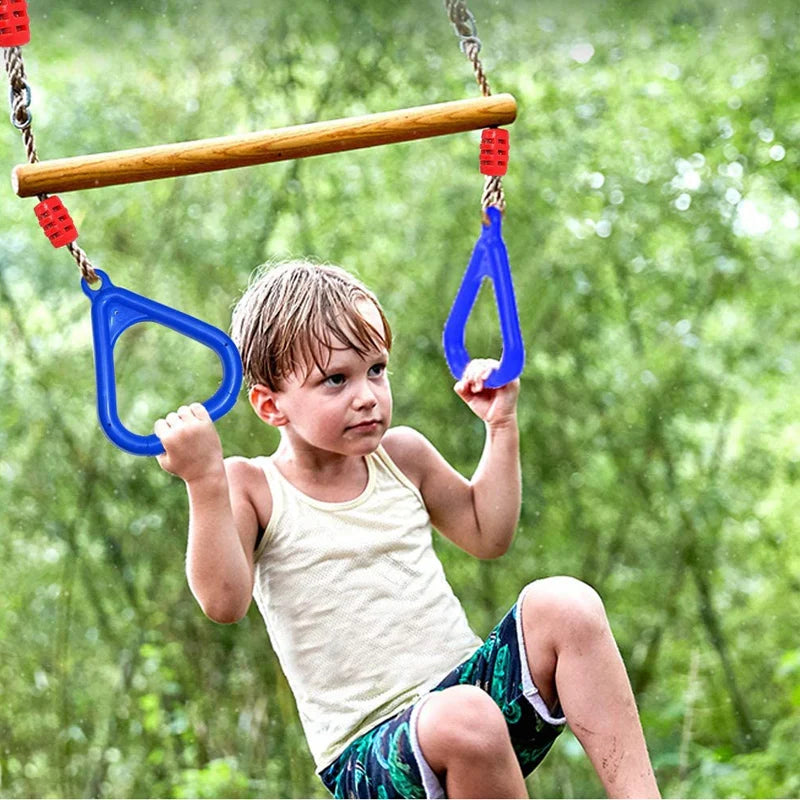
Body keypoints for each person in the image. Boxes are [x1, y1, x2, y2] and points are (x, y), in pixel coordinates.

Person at [155, 260, 660, 799]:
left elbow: (488, 534)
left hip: (473, 708)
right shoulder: (252, 486)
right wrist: (204, 480)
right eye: (335, 379)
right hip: (370, 758)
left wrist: (501, 426)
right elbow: (223, 601)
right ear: (270, 404)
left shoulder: (402, 455)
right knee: (464, 715)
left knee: (565, 604)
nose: (367, 394)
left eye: (376, 369)